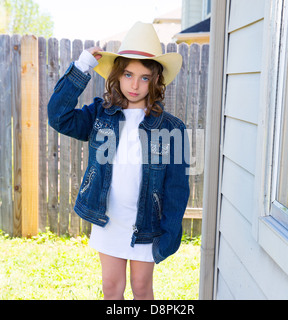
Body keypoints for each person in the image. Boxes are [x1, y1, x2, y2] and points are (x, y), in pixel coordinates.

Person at [48, 21, 190, 300]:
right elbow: (58, 116)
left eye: (144, 77)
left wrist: (170, 231)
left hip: (147, 224)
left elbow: (177, 187)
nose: (135, 85)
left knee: (141, 288)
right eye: (128, 74)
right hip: (108, 220)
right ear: (117, 75)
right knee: (111, 289)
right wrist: (81, 67)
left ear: (156, 80)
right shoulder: (100, 115)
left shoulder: (173, 128)